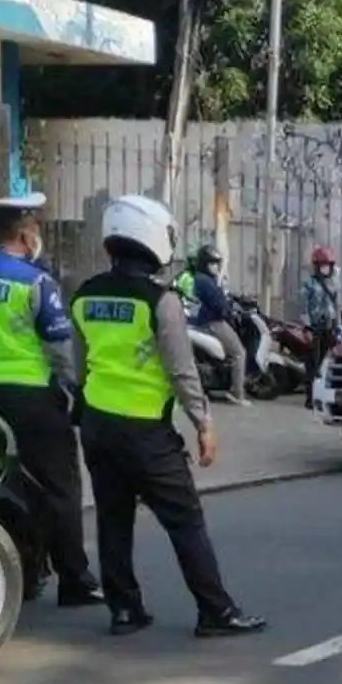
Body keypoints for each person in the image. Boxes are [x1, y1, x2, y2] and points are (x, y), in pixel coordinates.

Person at [70, 194, 266, 638]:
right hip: (146, 433)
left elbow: (80, 365)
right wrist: (204, 423)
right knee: (185, 520)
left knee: (112, 520)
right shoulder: (161, 301)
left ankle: (124, 610)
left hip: (98, 426)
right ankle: (216, 610)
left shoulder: (84, 295)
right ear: (153, 239)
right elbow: (182, 371)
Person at [0, 193, 103, 607]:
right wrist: (71, 391)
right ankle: (75, 579)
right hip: (33, 397)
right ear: (26, 234)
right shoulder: (36, 281)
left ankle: (23, 577)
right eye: (36, 229)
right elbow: (59, 345)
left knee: (3, 486)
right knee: (59, 487)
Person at [192, 244, 249, 406]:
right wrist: (229, 312)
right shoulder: (205, 281)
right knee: (239, 353)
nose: (216, 267)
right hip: (212, 322)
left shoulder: (201, 279)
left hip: (201, 322)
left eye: (217, 263)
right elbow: (219, 305)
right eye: (213, 263)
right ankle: (237, 393)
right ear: (205, 264)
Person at [301, 245, 340, 409]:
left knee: (328, 362)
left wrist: (337, 326)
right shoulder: (308, 284)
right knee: (313, 364)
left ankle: (325, 395)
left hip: (329, 327)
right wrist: (307, 327)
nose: (326, 269)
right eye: (323, 265)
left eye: (328, 265)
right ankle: (311, 397)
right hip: (315, 327)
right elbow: (303, 307)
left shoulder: (333, 283)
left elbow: (336, 306)